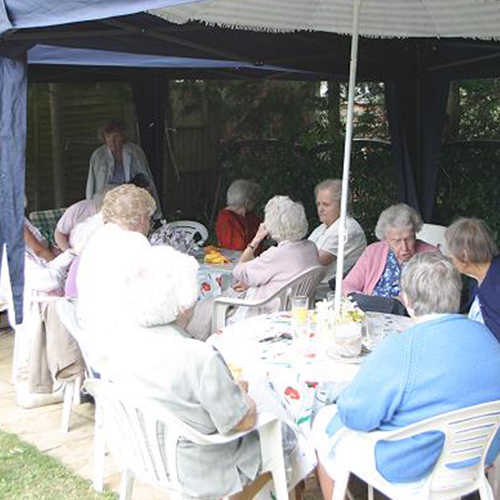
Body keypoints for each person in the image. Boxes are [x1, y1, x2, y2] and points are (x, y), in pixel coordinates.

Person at [313, 252, 500, 499]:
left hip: (409, 470)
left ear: (407, 301)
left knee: (324, 421)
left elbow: (356, 416)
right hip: (476, 458)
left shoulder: (401, 347)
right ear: (457, 293)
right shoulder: (487, 337)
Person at [103, 245, 262, 499]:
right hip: (201, 470)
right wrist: (245, 394)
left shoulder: (118, 344)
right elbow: (241, 421)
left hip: (142, 456)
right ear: (184, 303)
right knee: (284, 435)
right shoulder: (197, 357)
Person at [76, 184, 155, 369]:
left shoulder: (97, 238)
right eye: (149, 219)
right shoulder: (135, 242)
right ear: (142, 219)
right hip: (123, 346)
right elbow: (152, 296)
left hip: (94, 339)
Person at [231, 195, 320, 318]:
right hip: (297, 313)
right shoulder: (311, 248)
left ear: (271, 224)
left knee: (209, 307)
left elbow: (239, 271)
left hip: (265, 316)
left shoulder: (276, 255)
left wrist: (256, 239)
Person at [342, 203, 437, 299]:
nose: (405, 248)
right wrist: (362, 300)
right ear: (385, 239)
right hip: (370, 309)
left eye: (409, 239)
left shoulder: (432, 255)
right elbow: (348, 284)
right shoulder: (373, 252)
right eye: (397, 241)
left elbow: (436, 295)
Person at [85, 119, 161, 216]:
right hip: (107, 195)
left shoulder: (135, 151)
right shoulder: (98, 155)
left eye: (116, 136)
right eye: (109, 137)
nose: (113, 141)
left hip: (131, 191)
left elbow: (145, 176)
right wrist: (89, 206)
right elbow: (92, 183)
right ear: (104, 138)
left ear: (123, 136)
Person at [445, 217, 500, 343]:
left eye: (450, 250)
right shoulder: (480, 277)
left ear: (464, 255)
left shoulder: (495, 288)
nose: (449, 255)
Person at [308, 179, 366, 285]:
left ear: (341, 205)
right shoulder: (322, 228)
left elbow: (314, 262)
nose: (320, 209)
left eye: (326, 204)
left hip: (332, 290)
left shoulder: (347, 228)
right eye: (318, 204)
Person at [216, 179, 262, 252]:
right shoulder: (226, 219)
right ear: (247, 202)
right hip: (239, 260)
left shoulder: (248, 214)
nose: (255, 204)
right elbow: (238, 248)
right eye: (254, 201)